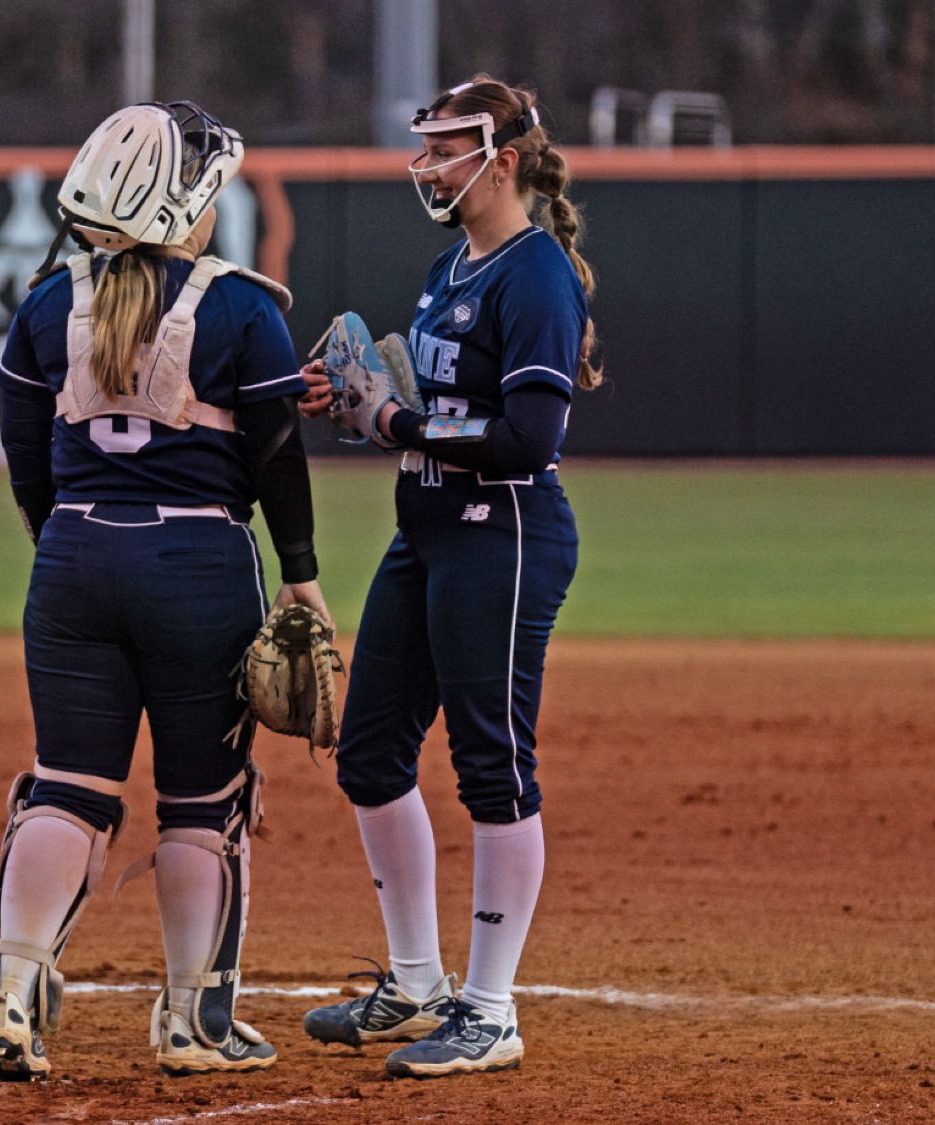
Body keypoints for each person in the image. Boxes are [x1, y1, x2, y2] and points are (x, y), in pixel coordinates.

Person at [0, 100, 326, 1081]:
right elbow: (273, 460)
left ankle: (14, 983)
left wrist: (66, 546)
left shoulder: (48, 302)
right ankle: (191, 1022)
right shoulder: (240, 308)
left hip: (74, 562)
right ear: (186, 204)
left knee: (69, 783)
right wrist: (298, 577)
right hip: (197, 567)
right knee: (198, 803)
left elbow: (24, 455)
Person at [296, 76, 599, 1078]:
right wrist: (346, 394)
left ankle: (491, 1010)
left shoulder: (533, 273)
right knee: (370, 753)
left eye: (443, 149)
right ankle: (416, 982)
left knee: (491, 769)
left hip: (501, 534)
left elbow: (527, 435)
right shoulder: (449, 266)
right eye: (420, 147)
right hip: (425, 531)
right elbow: (425, 401)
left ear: (501, 158)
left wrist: (394, 421)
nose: (423, 165)